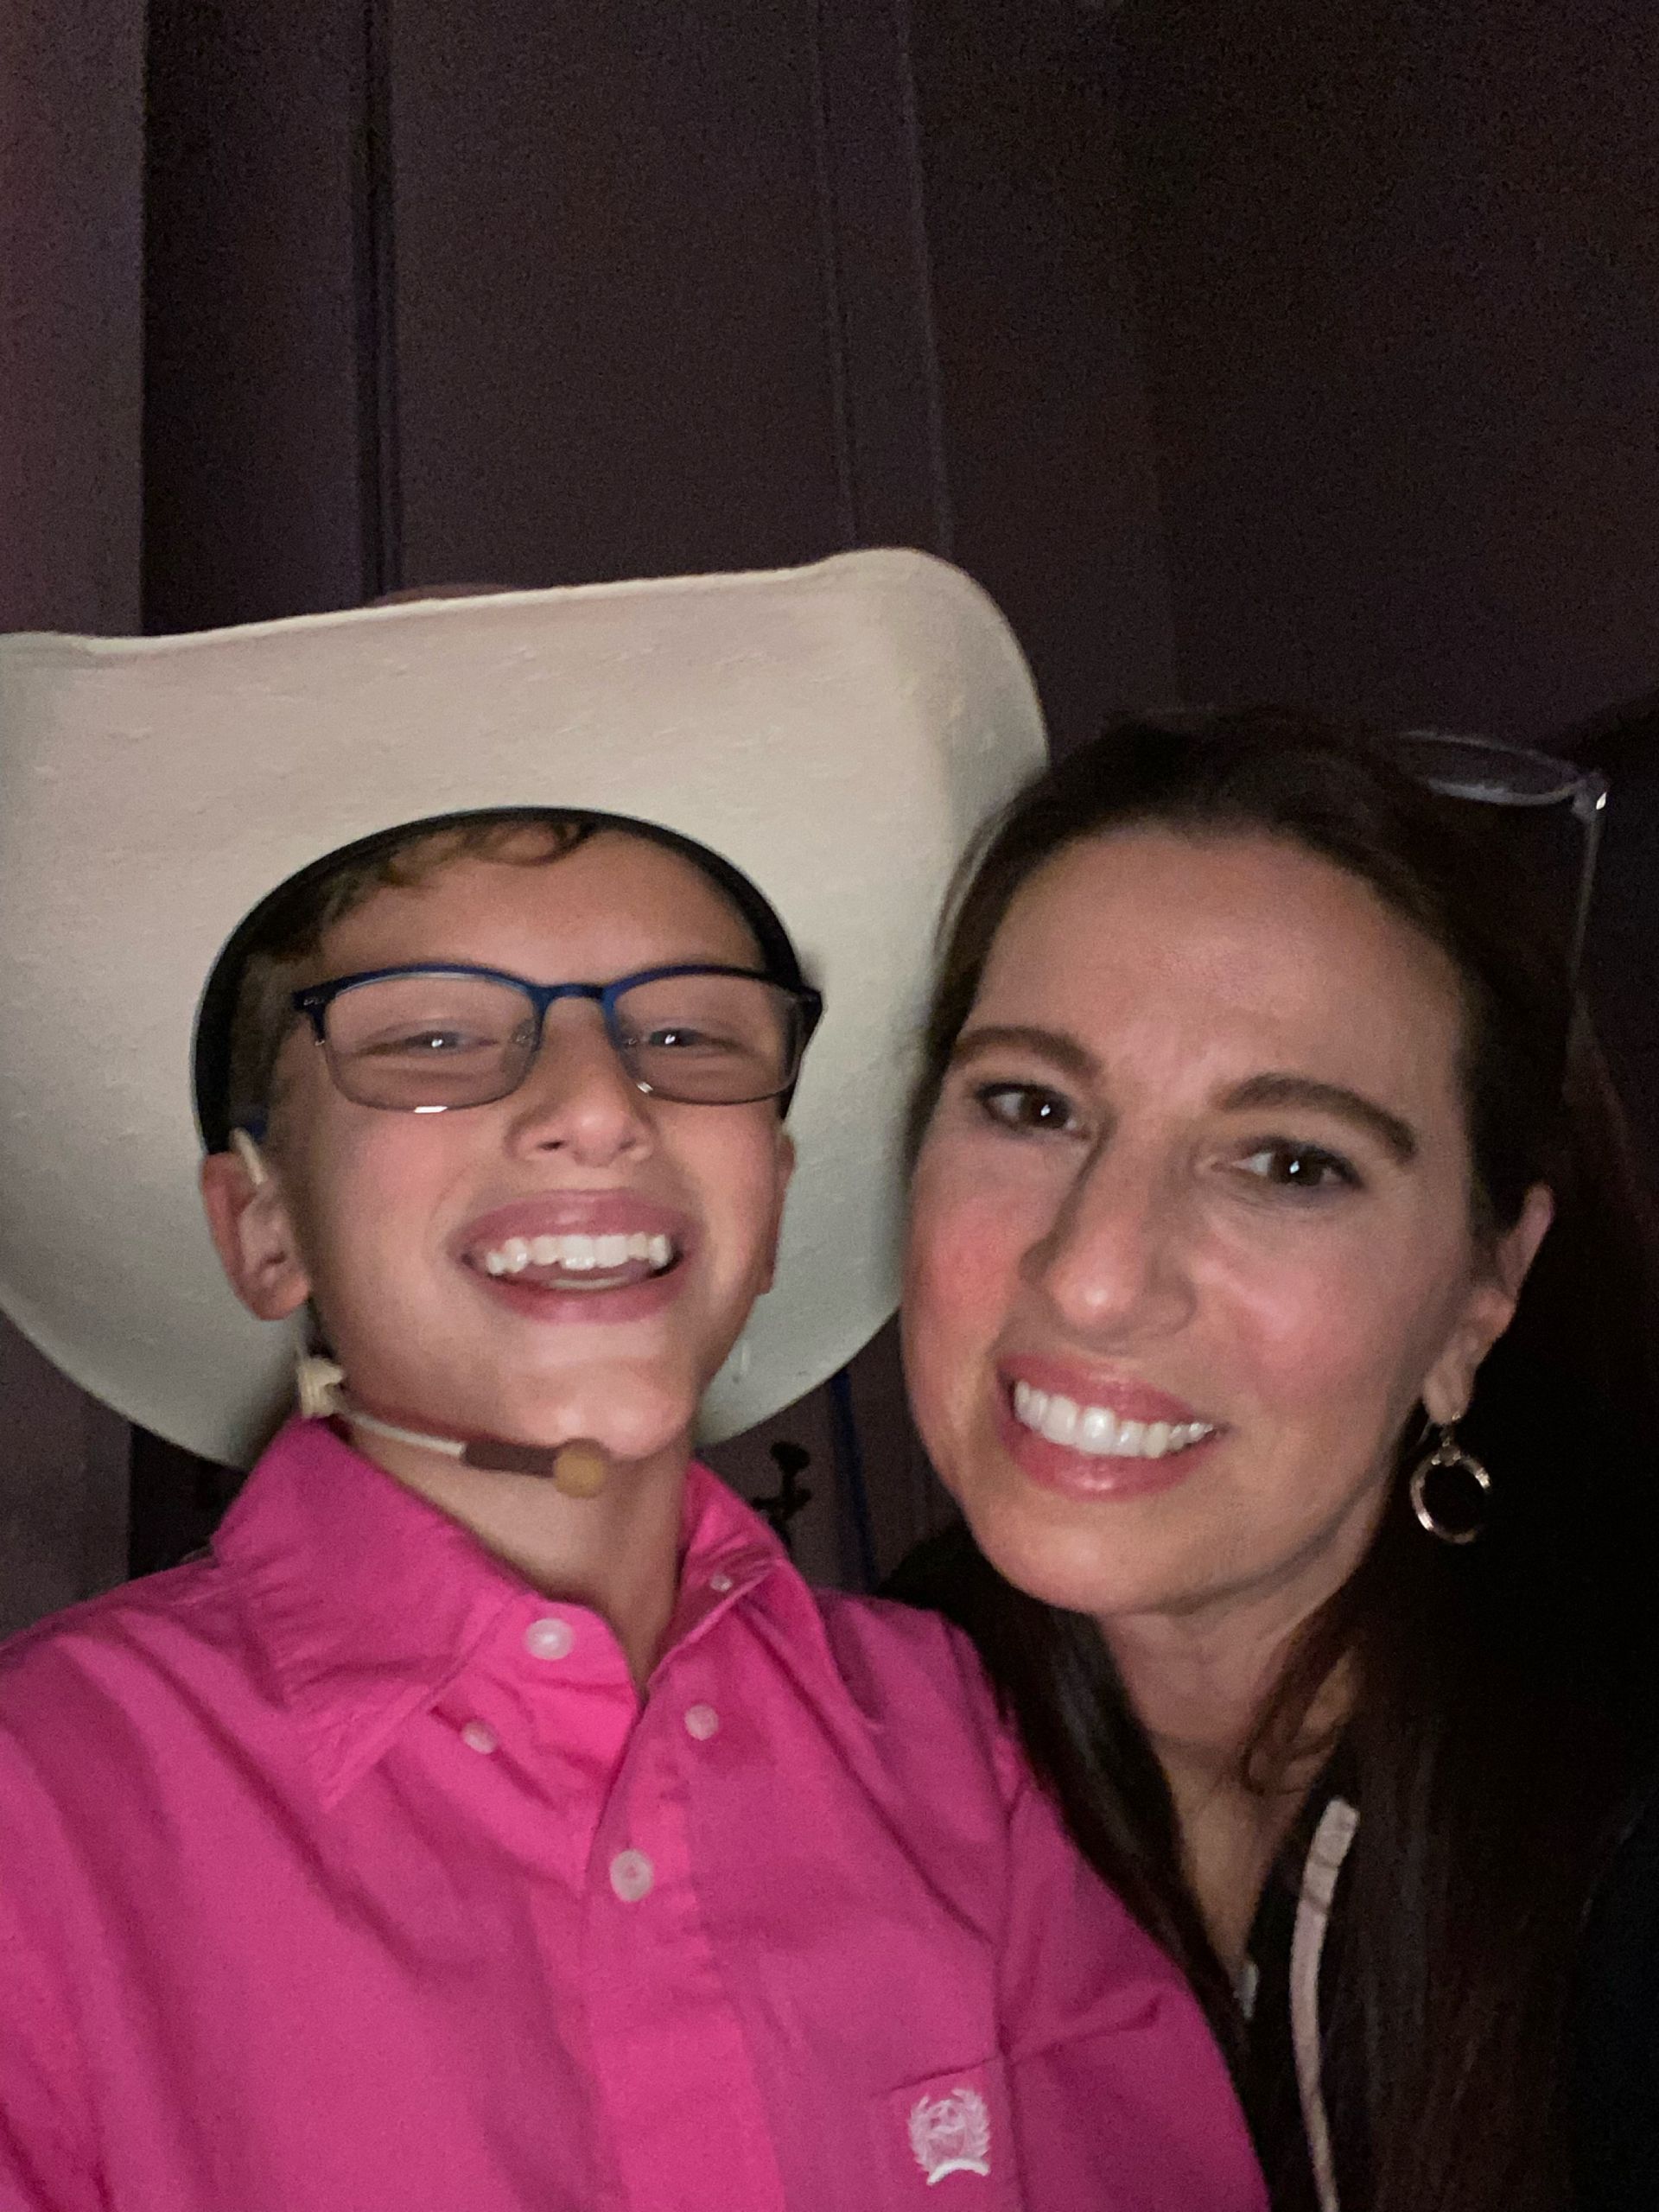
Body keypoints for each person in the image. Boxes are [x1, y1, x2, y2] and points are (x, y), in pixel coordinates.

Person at [0, 563, 1266, 2211]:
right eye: (434, 1040)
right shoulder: (44, 1811)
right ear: (263, 1231)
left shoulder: (966, 1745)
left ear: (779, 1188)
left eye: (689, 1036)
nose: (598, 1105)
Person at [892, 708, 1659, 2212]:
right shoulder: (862, 1719)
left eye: (1291, 1162)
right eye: (1031, 1107)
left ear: (1481, 1294)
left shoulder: (1622, 1836)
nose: (1097, 1274)